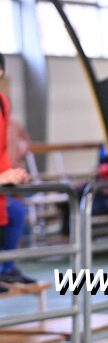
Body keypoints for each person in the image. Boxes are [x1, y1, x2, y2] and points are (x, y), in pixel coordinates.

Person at [0, 53, 35, 285]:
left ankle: (7, 268)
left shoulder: (3, 104)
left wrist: (12, 174)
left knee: (16, 212)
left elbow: (3, 148)